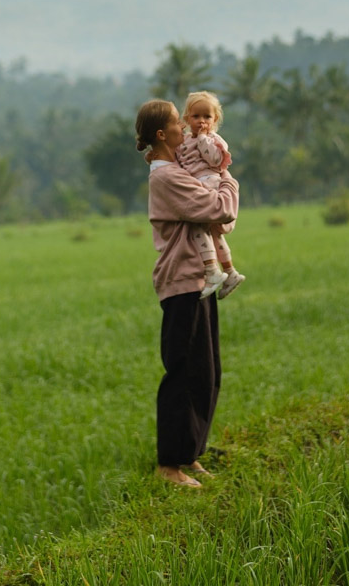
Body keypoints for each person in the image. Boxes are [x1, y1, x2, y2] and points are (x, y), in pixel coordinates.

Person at [136, 98, 239, 488]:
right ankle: (169, 465)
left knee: (207, 371)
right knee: (182, 371)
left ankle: (190, 453)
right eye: (179, 123)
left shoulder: (175, 168)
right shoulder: (166, 178)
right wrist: (229, 178)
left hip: (199, 279)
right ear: (162, 135)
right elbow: (220, 209)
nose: (186, 127)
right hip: (181, 281)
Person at [175, 91, 245, 299]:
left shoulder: (214, 140)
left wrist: (204, 139)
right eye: (196, 117)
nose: (202, 121)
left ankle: (212, 270)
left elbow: (215, 161)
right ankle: (230, 272)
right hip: (196, 185)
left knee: (198, 225)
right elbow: (179, 158)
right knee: (215, 233)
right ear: (187, 119)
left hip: (209, 185)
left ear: (215, 120)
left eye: (207, 117)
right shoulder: (186, 140)